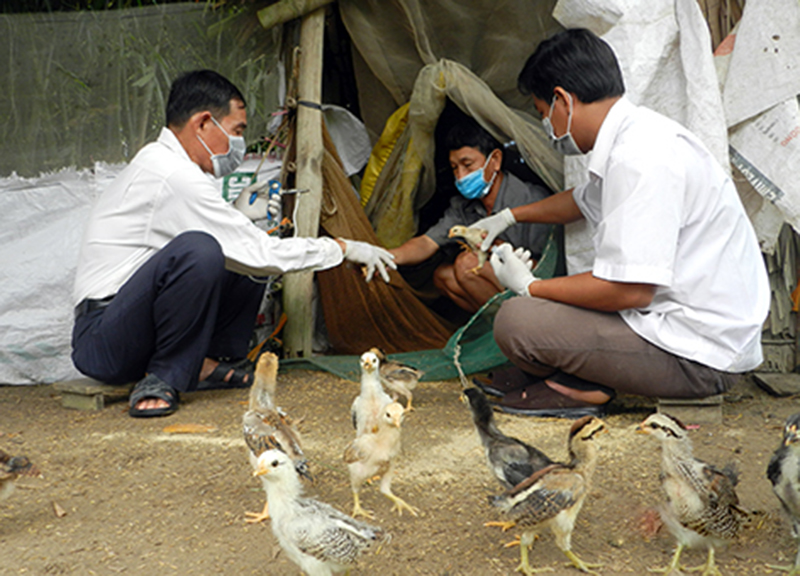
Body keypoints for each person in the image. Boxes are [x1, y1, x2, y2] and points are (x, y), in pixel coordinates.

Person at [469, 28, 769, 417]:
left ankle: (584, 389)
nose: (547, 126)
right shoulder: (637, 137)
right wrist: (507, 216)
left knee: (516, 321)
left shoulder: (639, 157)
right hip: (691, 331)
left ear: (563, 100)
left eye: (544, 114)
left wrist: (530, 286)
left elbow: (630, 291)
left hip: (698, 355)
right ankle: (576, 375)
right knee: (537, 316)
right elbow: (579, 201)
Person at [71, 70, 395, 418]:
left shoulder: (171, 167)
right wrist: (343, 249)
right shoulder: (171, 174)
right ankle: (163, 374)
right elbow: (257, 254)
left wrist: (238, 217)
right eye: (237, 130)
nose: (238, 144)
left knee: (238, 253)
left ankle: (212, 361)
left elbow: (245, 249)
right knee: (205, 250)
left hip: (129, 328)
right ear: (203, 123)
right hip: (103, 342)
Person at [389, 119, 551, 314]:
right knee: (443, 276)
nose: (460, 176)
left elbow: (551, 264)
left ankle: (523, 321)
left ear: (495, 160)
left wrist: (501, 251)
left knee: (467, 264)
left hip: (536, 286)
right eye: (454, 168)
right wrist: (387, 257)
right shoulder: (463, 207)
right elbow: (426, 243)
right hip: (500, 283)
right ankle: (493, 328)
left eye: (467, 165)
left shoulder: (531, 199)